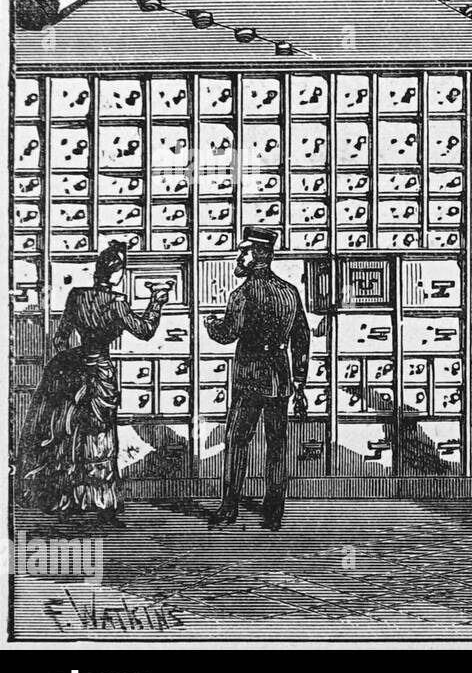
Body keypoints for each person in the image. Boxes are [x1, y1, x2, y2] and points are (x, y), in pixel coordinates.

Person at [16, 241, 170, 527]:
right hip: (100, 374)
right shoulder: (117, 303)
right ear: (119, 274)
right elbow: (146, 331)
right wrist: (157, 301)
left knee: (69, 438)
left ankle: (67, 501)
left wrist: (73, 362)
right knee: (99, 439)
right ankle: (102, 505)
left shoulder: (76, 296)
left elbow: (60, 338)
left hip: (74, 374)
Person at [204, 226, 310, 531]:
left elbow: (228, 334)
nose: (240, 256)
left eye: (245, 251)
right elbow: (301, 338)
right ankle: (274, 512)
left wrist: (211, 324)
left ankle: (229, 508)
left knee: (237, 440)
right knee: (277, 444)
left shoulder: (243, 293)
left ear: (260, 254)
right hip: (280, 377)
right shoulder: (290, 292)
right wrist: (300, 381)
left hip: (250, 376)